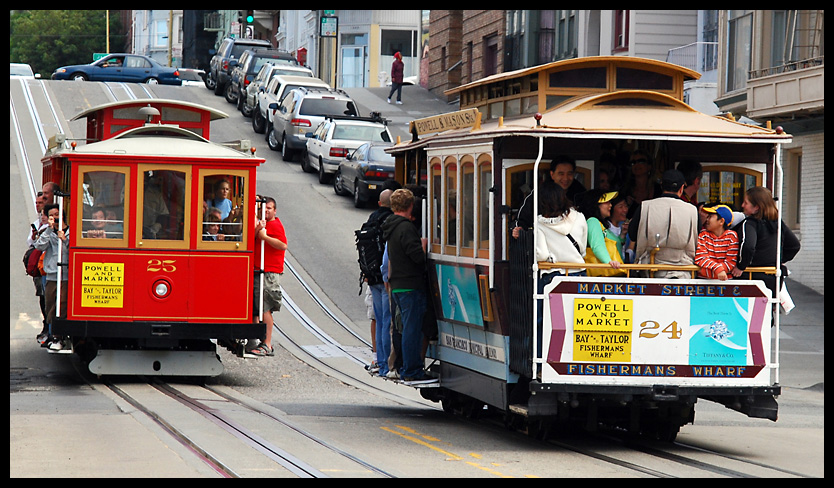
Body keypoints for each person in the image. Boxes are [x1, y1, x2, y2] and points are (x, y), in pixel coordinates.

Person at [381, 188, 431, 382]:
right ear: (410, 206)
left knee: (402, 327)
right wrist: (424, 246)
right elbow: (417, 257)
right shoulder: (406, 228)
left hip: (397, 285)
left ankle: (403, 366)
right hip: (411, 284)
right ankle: (411, 370)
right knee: (412, 328)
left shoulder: (391, 227)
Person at [628, 169, 699, 279]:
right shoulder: (692, 210)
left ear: (661, 186)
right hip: (684, 271)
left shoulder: (645, 207)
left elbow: (632, 234)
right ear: (681, 188)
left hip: (649, 271)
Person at [731, 187, 800, 298]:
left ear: (756, 207)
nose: (742, 205)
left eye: (746, 203)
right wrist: (778, 260)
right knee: (766, 312)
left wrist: (741, 266)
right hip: (773, 278)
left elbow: (748, 246)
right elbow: (794, 245)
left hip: (752, 277)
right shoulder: (777, 222)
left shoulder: (750, 223)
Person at [513, 155, 586, 237]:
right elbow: (523, 218)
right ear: (552, 174)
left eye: (569, 174)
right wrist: (519, 229)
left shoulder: (581, 193)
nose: (565, 178)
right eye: (561, 174)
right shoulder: (540, 193)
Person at [251, 196, 288, 357]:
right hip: (258, 269)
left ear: (275, 210)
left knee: (265, 307)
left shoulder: (276, 225)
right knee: (256, 307)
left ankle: (267, 344)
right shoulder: (261, 224)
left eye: (269, 209)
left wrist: (265, 237)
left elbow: (283, 245)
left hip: (269, 272)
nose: (266, 211)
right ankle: (254, 338)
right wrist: (258, 229)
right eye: (264, 208)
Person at [363, 189, 394, 377]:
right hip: (384, 279)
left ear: (379, 203)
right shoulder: (389, 221)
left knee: (380, 321)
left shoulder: (371, 219)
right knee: (387, 322)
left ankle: (380, 362)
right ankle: (385, 366)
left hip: (371, 277)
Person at [34, 204, 70, 351]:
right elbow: (39, 246)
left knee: (62, 304)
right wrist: (49, 229)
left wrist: (65, 240)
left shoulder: (70, 232)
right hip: (52, 274)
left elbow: (74, 251)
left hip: (67, 274)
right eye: (51, 216)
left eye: (57, 214)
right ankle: (52, 333)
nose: (54, 218)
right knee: (50, 304)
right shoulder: (48, 232)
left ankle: (59, 336)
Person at [576, 189, 624, 277]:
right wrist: (609, 262)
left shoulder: (600, 224)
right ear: (595, 205)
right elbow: (597, 246)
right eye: (606, 202)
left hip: (611, 273)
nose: (610, 205)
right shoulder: (593, 221)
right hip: (606, 274)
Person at [695, 204, 739, 281]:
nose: (707, 219)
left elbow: (731, 263)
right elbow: (701, 258)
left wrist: (706, 271)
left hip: (726, 282)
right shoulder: (703, 235)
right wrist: (719, 270)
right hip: (703, 282)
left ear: (721, 221)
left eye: (710, 217)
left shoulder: (732, 236)